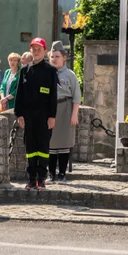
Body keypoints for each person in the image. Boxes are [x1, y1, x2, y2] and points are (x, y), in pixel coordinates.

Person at [14, 38, 58, 190]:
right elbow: (19, 93)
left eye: (39, 48)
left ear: (45, 51)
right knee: (30, 148)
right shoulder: (25, 70)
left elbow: (53, 95)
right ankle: (32, 179)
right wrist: (19, 114)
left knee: (43, 147)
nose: (36, 51)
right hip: (28, 116)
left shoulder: (51, 70)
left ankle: (42, 178)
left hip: (45, 116)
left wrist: (52, 116)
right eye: (34, 48)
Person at [47, 41, 80, 183]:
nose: (54, 59)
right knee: (51, 142)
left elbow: (77, 96)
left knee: (64, 141)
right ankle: (51, 174)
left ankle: (62, 174)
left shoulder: (70, 75)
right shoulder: (47, 74)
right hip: (50, 109)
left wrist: (74, 114)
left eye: (57, 56)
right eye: (52, 56)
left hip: (65, 107)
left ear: (64, 58)